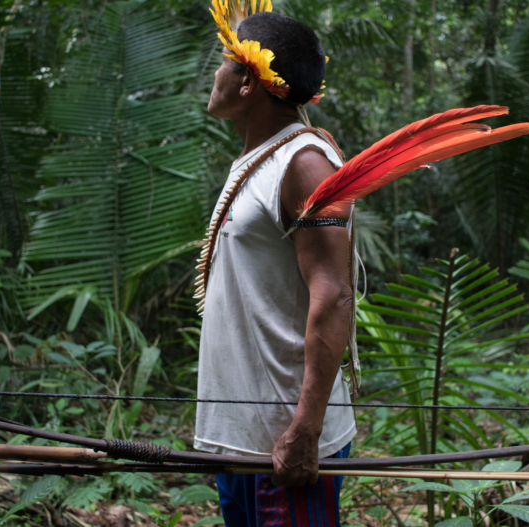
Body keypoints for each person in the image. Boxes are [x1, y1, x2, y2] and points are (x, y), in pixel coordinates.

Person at [193, 2, 358, 525]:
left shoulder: (304, 163)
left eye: (222, 60)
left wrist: (305, 432)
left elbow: (332, 296)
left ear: (247, 81)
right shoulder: (262, 157)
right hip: (244, 444)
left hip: (283, 447)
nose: (214, 73)